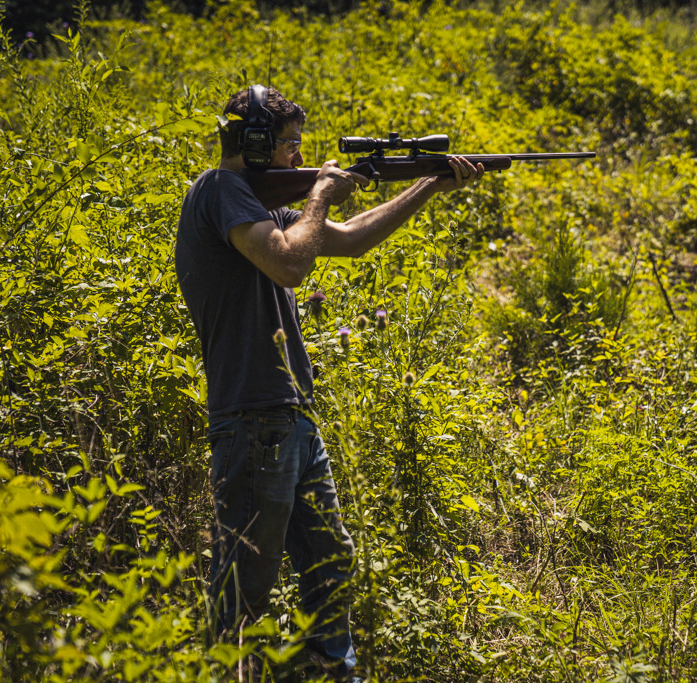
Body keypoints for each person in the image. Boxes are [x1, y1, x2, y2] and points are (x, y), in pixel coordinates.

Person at [174, 85, 482, 680]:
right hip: (253, 418)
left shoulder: (258, 204)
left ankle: (332, 673)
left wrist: (426, 186)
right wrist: (318, 194)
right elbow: (290, 264)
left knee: (330, 563)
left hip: (291, 419)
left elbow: (348, 239)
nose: (296, 156)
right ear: (255, 142)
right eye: (289, 145)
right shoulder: (219, 192)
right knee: (245, 587)